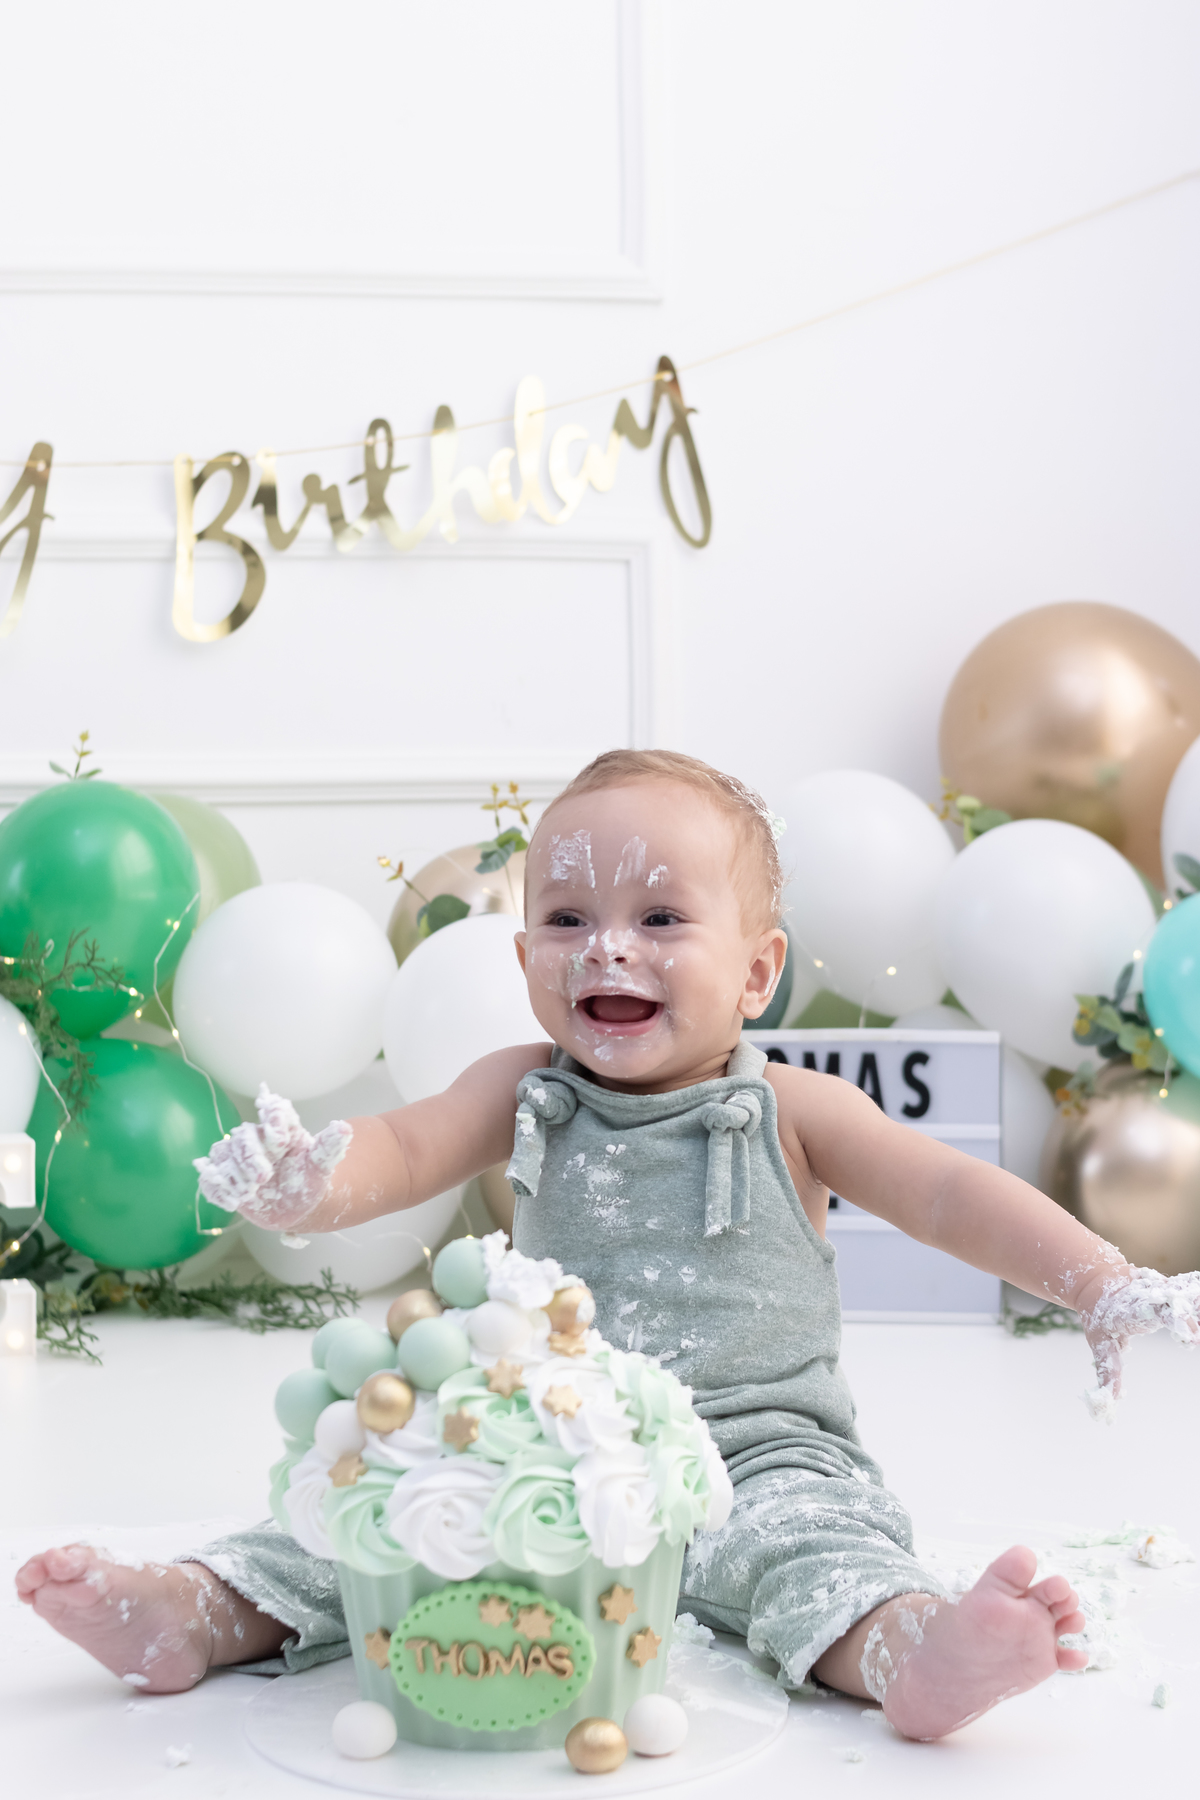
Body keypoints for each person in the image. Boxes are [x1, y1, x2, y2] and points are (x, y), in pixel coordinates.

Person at [17, 749, 1200, 1741]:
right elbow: (403, 1146)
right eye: (567, 918)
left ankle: (915, 1653)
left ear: (757, 972)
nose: (608, 948)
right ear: (525, 957)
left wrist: (1096, 1281)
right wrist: (304, 1184)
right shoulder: (523, 1089)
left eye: (661, 918)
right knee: (379, 1513)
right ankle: (200, 1610)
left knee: (809, 1553)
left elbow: (947, 1193)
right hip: (545, 1441)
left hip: (758, 1443)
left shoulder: (794, 1106)